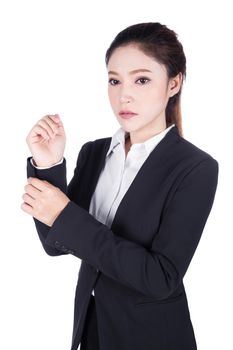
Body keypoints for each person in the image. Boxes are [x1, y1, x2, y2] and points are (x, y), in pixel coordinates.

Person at [21, 22, 219, 350]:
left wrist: (67, 214)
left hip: (152, 338)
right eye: (114, 80)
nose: (123, 95)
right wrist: (49, 166)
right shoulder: (95, 152)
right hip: (92, 329)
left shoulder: (195, 168)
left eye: (141, 79)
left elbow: (161, 278)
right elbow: (57, 244)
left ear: (174, 83)